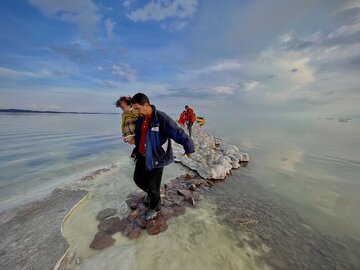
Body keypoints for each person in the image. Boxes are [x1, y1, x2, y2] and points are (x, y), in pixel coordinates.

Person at [131, 93, 195, 221]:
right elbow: (140, 137)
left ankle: (155, 207)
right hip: (143, 155)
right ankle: (152, 195)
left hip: (157, 156)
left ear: (146, 105)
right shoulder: (140, 119)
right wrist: (136, 150)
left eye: (137, 108)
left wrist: (189, 147)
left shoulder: (161, 118)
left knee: (153, 185)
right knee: (137, 179)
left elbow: (177, 132)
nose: (135, 111)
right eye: (134, 109)